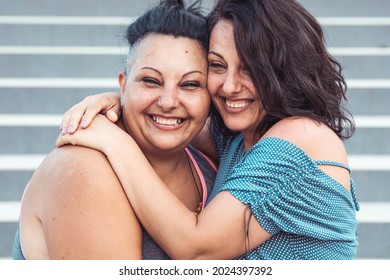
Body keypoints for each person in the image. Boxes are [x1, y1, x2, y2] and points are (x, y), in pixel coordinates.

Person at [58, 0, 360, 259]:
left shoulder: (302, 136)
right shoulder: (239, 139)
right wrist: (122, 100)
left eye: (249, 68)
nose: (229, 86)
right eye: (217, 65)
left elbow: (196, 249)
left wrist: (114, 142)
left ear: (283, 69)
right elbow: (168, 125)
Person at [13, 0, 216, 260]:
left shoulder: (209, 157)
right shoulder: (82, 171)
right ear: (123, 85)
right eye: (150, 81)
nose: (168, 102)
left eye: (189, 84)